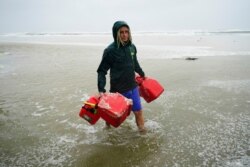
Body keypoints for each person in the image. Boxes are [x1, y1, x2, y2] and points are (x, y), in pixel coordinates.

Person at [97, 21, 146, 131]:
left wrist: (143, 75)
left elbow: (135, 64)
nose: (124, 35)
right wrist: (101, 90)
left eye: (126, 32)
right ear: (116, 33)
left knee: (138, 112)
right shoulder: (110, 51)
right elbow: (102, 71)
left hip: (133, 87)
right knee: (112, 116)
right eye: (121, 32)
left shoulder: (132, 47)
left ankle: (143, 133)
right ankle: (107, 129)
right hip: (118, 90)